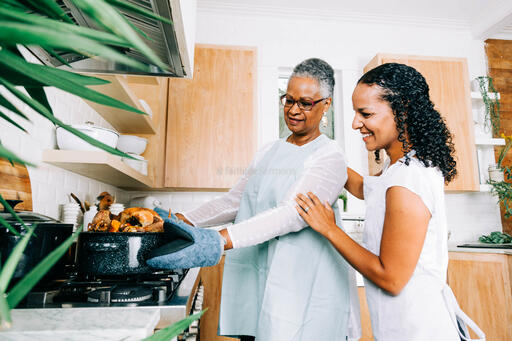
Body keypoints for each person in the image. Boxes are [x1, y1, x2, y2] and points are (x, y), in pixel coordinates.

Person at [169, 58, 358, 340]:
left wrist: (219, 239)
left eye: (305, 103)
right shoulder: (269, 151)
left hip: (300, 285)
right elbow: (236, 201)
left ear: (326, 104)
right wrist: (184, 220)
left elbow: (291, 214)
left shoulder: (330, 156)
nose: (293, 110)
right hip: (255, 278)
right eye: (288, 100)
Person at [295, 63, 485, 340]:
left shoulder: (406, 180)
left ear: (403, 111)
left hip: (417, 331)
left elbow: (391, 278)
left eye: (366, 113)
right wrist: (323, 151)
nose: (355, 123)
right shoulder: (401, 166)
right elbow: (364, 188)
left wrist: (329, 228)